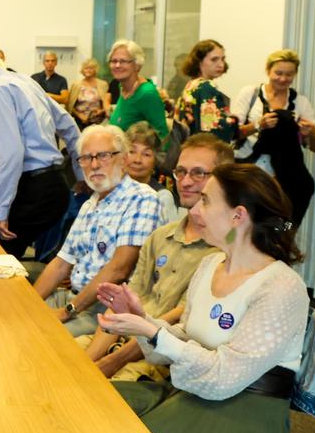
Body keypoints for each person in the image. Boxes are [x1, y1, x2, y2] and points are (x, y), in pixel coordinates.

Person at [91, 164, 309, 433]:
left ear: (238, 216)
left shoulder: (281, 287)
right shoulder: (210, 265)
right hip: (195, 396)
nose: (194, 210)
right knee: (91, 409)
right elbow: (182, 338)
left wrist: (154, 333)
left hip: (243, 417)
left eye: (206, 200)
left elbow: (224, 378)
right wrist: (142, 321)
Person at [79, 134, 233, 380]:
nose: (185, 181)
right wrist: (88, 361)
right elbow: (124, 305)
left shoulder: (224, 251)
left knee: (88, 392)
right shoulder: (161, 237)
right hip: (120, 338)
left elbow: (175, 325)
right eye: (181, 172)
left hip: (159, 360)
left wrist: (107, 364)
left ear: (223, 181)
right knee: (56, 359)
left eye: (198, 173)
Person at [0, 40, 83, 257]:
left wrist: (1, 211)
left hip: (35, 187)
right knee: (9, 254)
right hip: (57, 184)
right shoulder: (24, 81)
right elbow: (68, 125)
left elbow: (11, 155)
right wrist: (80, 175)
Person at [32, 125, 160, 335]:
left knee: (39, 336)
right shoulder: (90, 204)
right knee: (12, 317)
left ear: (124, 158)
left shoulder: (141, 198)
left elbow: (120, 269)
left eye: (103, 155)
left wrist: (67, 312)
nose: (94, 165)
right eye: (86, 158)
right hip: (73, 298)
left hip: (103, 310)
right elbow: (60, 264)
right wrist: (30, 304)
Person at [231, 49, 315, 227]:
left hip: (285, 179)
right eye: (278, 73)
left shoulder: (300, 102)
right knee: (244, 224)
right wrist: (259, 125)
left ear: (295, 75)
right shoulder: (250, 94)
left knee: (278, 226)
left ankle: (281, 241)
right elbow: (233, 133)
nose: (282, 79)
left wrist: (311, 132)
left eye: (289, 75)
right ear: (268, 71)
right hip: (249, 172)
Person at [174, 39, 237, 142]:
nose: (221, 64)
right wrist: (233, 120)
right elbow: (212, 127)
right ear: (199, 61)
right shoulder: (206, 87)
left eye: (222, 59)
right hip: (203, 150)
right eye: (214, 60)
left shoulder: (191, 85)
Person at [106, 39, 168, 140]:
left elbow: (162, 136)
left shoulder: (147, 94)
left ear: (137, 65)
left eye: (123, 61)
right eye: (114, 61)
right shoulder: (122, 88)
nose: (117, 65)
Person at [122, 122, 178, 225]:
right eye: (132, 151)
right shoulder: (112, 191)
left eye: (146, 154)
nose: (137, 160)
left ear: (156, 160)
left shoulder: (161, 197)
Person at [66, 58, 110, 130]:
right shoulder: (76, 85)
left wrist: (101, 111)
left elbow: (107, 104)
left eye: (91, 68)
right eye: (86, 68)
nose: (88, 70)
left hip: (98, 123)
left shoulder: (103, 84)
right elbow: (70, 105)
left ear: (95, 70)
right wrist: (80, 115)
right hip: (80, 122)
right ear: (82, 70)